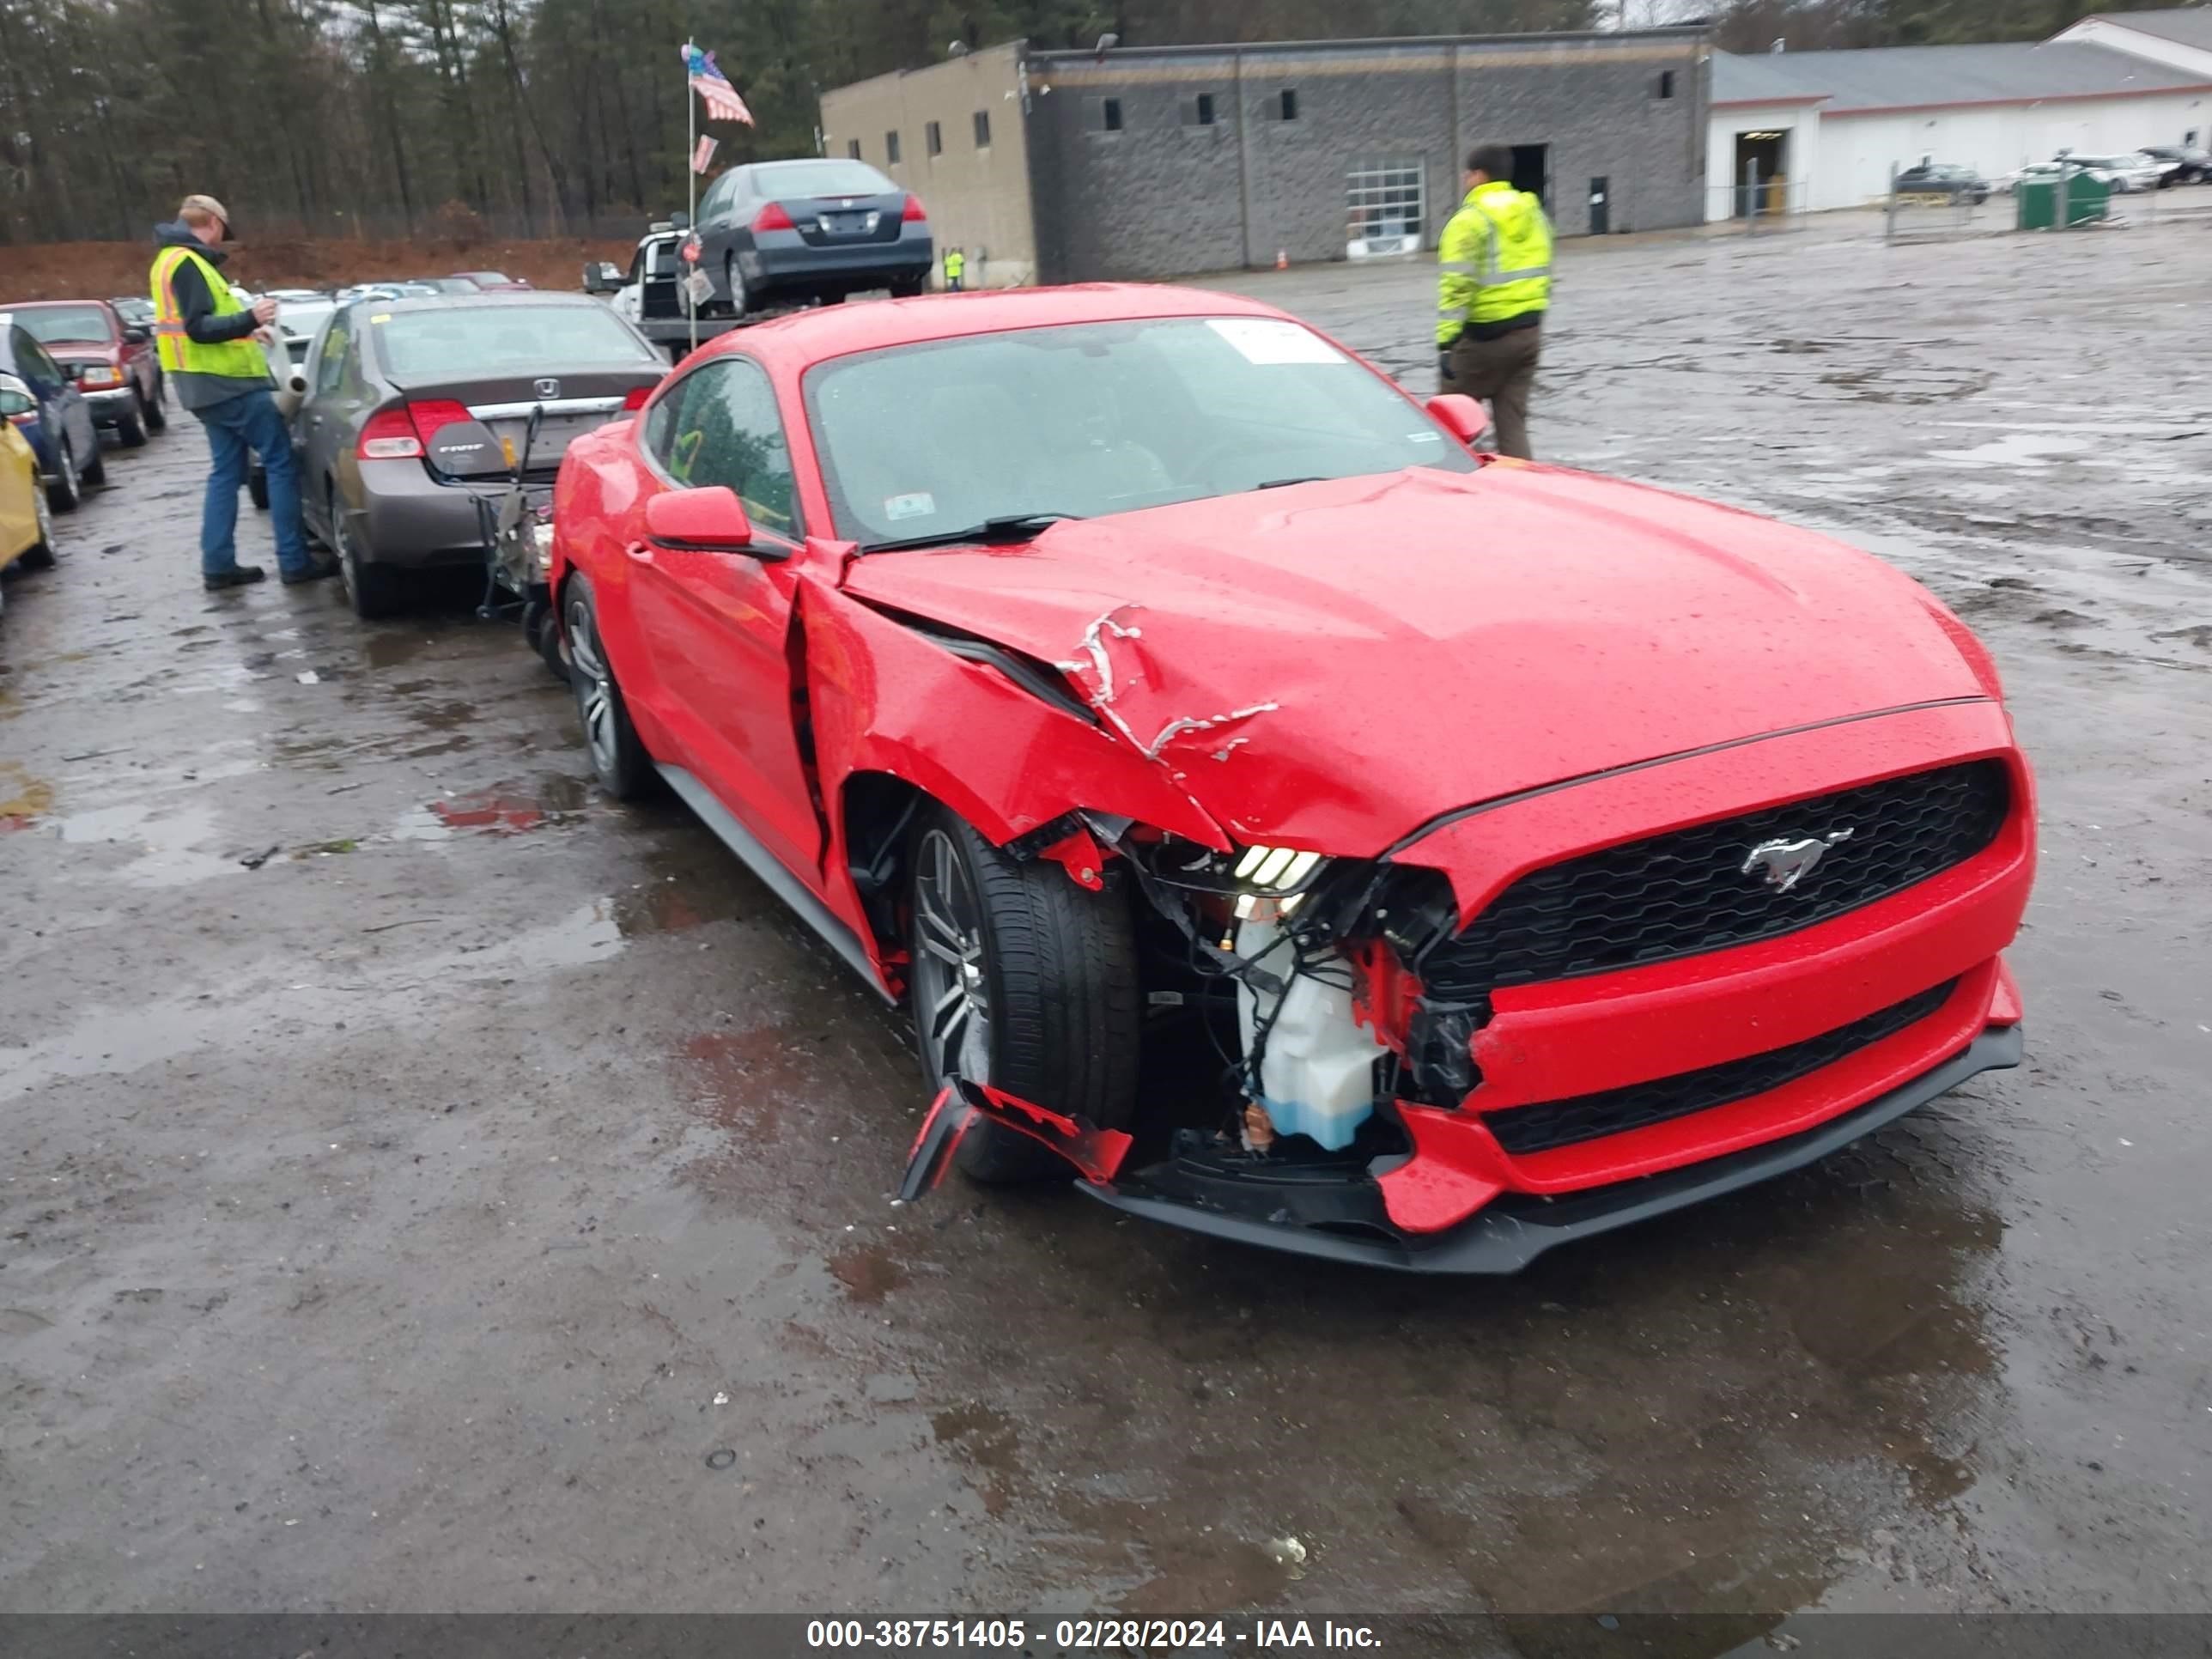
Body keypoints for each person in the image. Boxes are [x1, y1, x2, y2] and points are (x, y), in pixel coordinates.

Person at [149, 194, 330, 590]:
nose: (220, 242)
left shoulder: (168, 261)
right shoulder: (189, 262)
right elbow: (198, 327)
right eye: (221, 233)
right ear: (212, 223)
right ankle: (294, 561)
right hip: (228, 385)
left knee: (226, 473)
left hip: (199, 385)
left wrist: (245, 329)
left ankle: (218, 565)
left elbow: (194, 326)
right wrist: (251, 316)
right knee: (280, 461)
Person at [1436, 145, 1553, 461]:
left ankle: (1462, 490)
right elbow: (1544, 274)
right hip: (1528, 334)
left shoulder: (1469, 221)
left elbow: (1457, 287)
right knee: (1512, 424)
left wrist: (1447, 343)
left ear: (1478, 175)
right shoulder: (1535, 215)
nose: (1464, 179)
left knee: (1449, 422)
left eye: (1467, 173)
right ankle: (1522, 488)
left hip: (1483, 339)